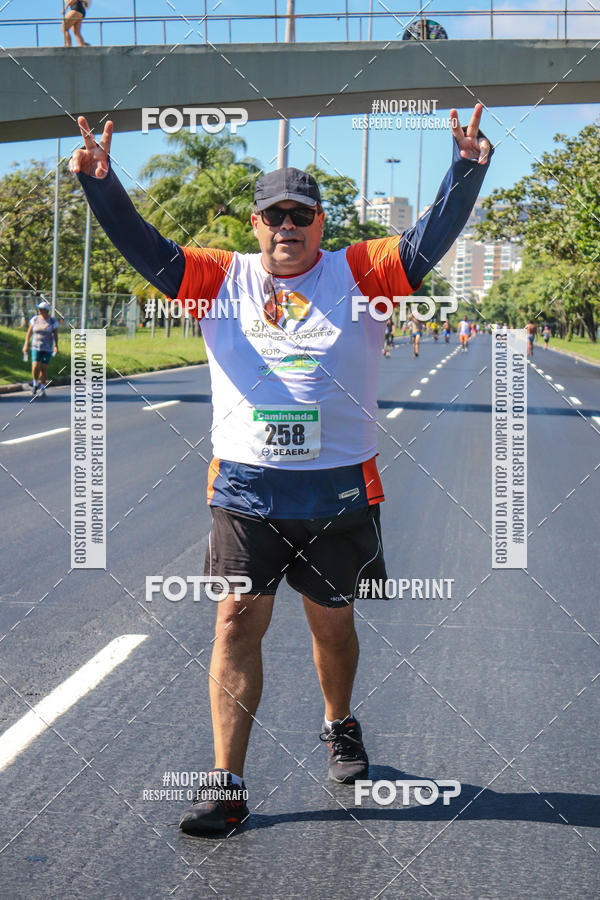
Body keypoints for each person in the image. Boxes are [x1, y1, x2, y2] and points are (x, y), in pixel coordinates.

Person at [69, 104, 492, 835]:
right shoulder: (217, 278)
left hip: (337, 490)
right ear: (257, 225)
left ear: (320, 223)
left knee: (332, 628)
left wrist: (465, 170)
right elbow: (145, 248)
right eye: (274, 215)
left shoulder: (361, 272)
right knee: (235, 623)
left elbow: (427, 243)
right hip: (246, 490)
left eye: (302, 213)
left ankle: (338, 722)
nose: (288, 225)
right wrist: (103, 187)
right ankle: (227, 785)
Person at [22, 300, 59, 397]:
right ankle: (35, 384)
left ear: (46, 311)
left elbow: (55, 334)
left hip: (47, 348)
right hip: (36, 346)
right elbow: (29, 333)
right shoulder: (35, 319)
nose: (39, 311)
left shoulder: (52, 321)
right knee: (35, 366)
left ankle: (42, 387)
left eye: (41, 309)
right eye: (39, 309)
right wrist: (26, 345)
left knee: (44, 367)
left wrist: (56, 346)